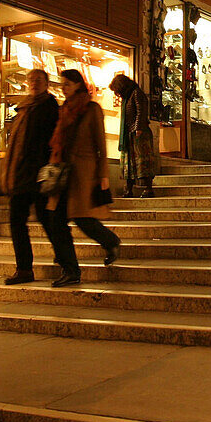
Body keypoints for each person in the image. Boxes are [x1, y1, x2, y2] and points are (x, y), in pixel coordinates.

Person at [45, 69, 121, 288]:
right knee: (56, 221)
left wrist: (103, 174)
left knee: (83, 219)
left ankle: (110, 241)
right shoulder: (63, 110)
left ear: (78, 85)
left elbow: (100, 143)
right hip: (62, 173)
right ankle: (70, 270)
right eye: (62, 84)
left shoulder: (91, 109)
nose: (63, 87)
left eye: (67, 83)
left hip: (83, 172)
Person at [0, 70, 59, 285]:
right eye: (31, 80)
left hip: (39, 174)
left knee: (47, 220)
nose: (34, 83)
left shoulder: (49, 107)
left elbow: (51, 140)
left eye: (38, 80)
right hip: (22, 173)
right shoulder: (24, 107)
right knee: (18, 221)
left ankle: (63, 257)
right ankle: (24, 268)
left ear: (46, 83)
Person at [109, 74, 158, 198]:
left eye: (117, 90)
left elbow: (141, 111)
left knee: (142, 161)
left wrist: (138, 128)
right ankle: (129, 189)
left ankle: (148, 188)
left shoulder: (136, 93)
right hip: (129, 133)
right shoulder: (127, 97)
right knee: (129, 164)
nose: (117, 94)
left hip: (139, 133)